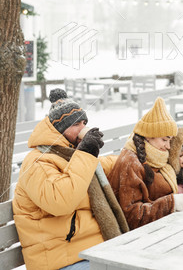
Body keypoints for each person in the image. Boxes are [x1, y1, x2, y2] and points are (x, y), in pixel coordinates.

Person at [12, 89, 129, 270]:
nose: (83, 128)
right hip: (59, 259)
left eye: (84, 122)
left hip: (89, 250)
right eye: (76, 124)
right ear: (59, 129)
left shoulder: (70, 155)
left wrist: (131, 160)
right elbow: (61, 201)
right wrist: (85, 153)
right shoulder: (37, 162)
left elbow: (102, 165)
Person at [108, 97, 183, 230]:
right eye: (164, 140)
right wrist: (174, 202)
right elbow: (132, 216)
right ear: (149, 135)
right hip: (144, 233)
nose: (168, 147)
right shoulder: (130, 163)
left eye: (170, 141)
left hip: (168, 222)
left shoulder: (156, 155)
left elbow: (180, 158)